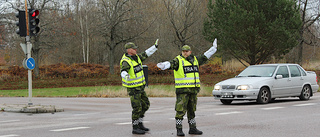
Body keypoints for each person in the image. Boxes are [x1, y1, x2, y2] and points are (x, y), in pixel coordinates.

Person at [157, 39, 218, 136]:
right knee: (180, 110)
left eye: (186, 51)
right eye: (183, 51)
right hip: (183, 91)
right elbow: (171, 63)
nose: (185, 53)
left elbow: (205, 56)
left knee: (192, 110)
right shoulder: (178, 60)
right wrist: (164, 65)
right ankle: (179, 129)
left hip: (193, 90)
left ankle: (192, 128)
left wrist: (213, 49)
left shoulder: (195, 60)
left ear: (190, 52)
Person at [120, 39, 159, 135]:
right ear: (129, 50)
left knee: (146, 104)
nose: (136, 50)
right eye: (134, 49)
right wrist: (125, 75)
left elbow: (146, 53)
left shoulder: (136, 57)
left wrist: (155, 47)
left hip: (140, 87)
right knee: (137, 108)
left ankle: (140, 123)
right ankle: (135, 127)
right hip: (133, 89)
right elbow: (123, 71)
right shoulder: (126, 61)